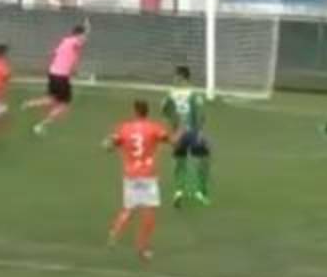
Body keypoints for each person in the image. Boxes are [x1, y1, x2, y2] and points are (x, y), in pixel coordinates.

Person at [105, 100, 172, 262]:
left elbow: (109, 144)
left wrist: (109, 145)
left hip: (130, 174)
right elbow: (167, 138)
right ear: (147, 112)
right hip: (148, 175)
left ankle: (114, 232)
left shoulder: (124, 128)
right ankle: (143, 248)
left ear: (135, 111)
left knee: (129, 208)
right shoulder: (153, 127)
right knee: (149, 212)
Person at [22, 22, 89, 135]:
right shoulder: (75, 42)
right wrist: (86, 33)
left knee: (52, 99)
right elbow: (80, 42)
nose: (83, 37)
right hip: (61, 77)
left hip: (53, 74)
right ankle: (41, 125)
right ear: (78, 34)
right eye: (82, 35)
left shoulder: (64, 41)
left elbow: (54, 53)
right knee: (64, 105)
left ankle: (28, 104)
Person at [161, 66, 210, 207]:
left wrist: (173, 125)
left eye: (176, 76)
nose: (174, 79)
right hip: (193, 133)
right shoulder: (194, 94)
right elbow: (200, 115)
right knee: (203, 161)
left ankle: (179, 191)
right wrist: (200, 132)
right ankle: (200, 192)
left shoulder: (171, 94)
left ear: (182, 77)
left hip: (178, 134)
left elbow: (164, 110)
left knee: (179, 162)